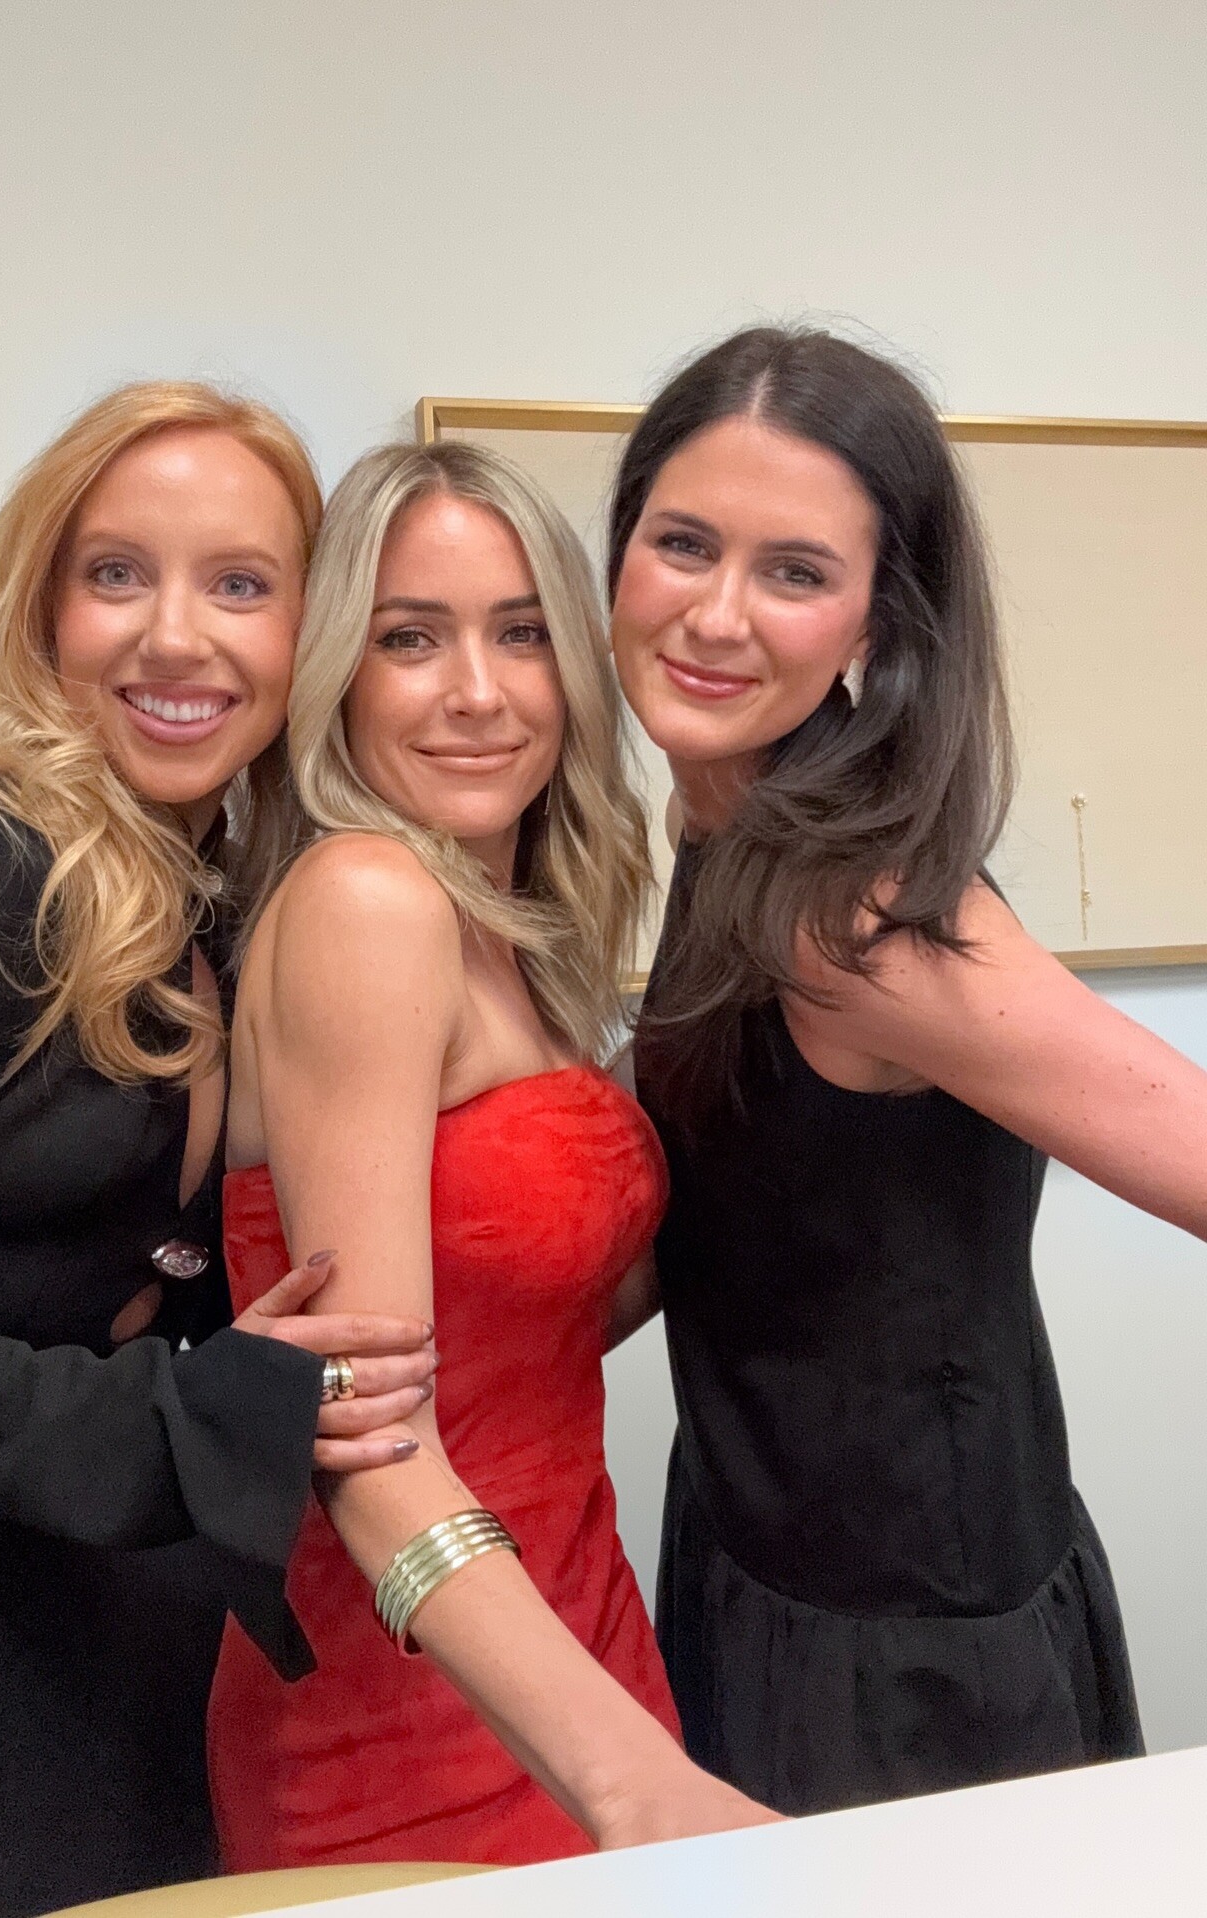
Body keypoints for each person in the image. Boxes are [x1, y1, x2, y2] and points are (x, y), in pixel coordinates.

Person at [0, 382, 435, 1918]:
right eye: (117, 573)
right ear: (47, 608)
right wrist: (189, 1409)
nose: (176, 637)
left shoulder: (220, 900)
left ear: (307, 632)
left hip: (119, 1662)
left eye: (240, 583)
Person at [606, 324, 1181, 1816]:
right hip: (757, 1554)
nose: (716, 613)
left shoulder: (851, 919)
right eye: (684, 543)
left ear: (876, 618)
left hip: (908, 1660)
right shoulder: (721, 823)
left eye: (795, 572)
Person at [208, 439, 780, 1869]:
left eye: (522, 634)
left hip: (577, 1638)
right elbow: (370, 1436)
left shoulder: (516, 938)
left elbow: (534, 1309)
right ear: (338, 675)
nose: (478, 691)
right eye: (411, 638)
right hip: (409, 1702)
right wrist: (628, 1780)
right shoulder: (367, 902)